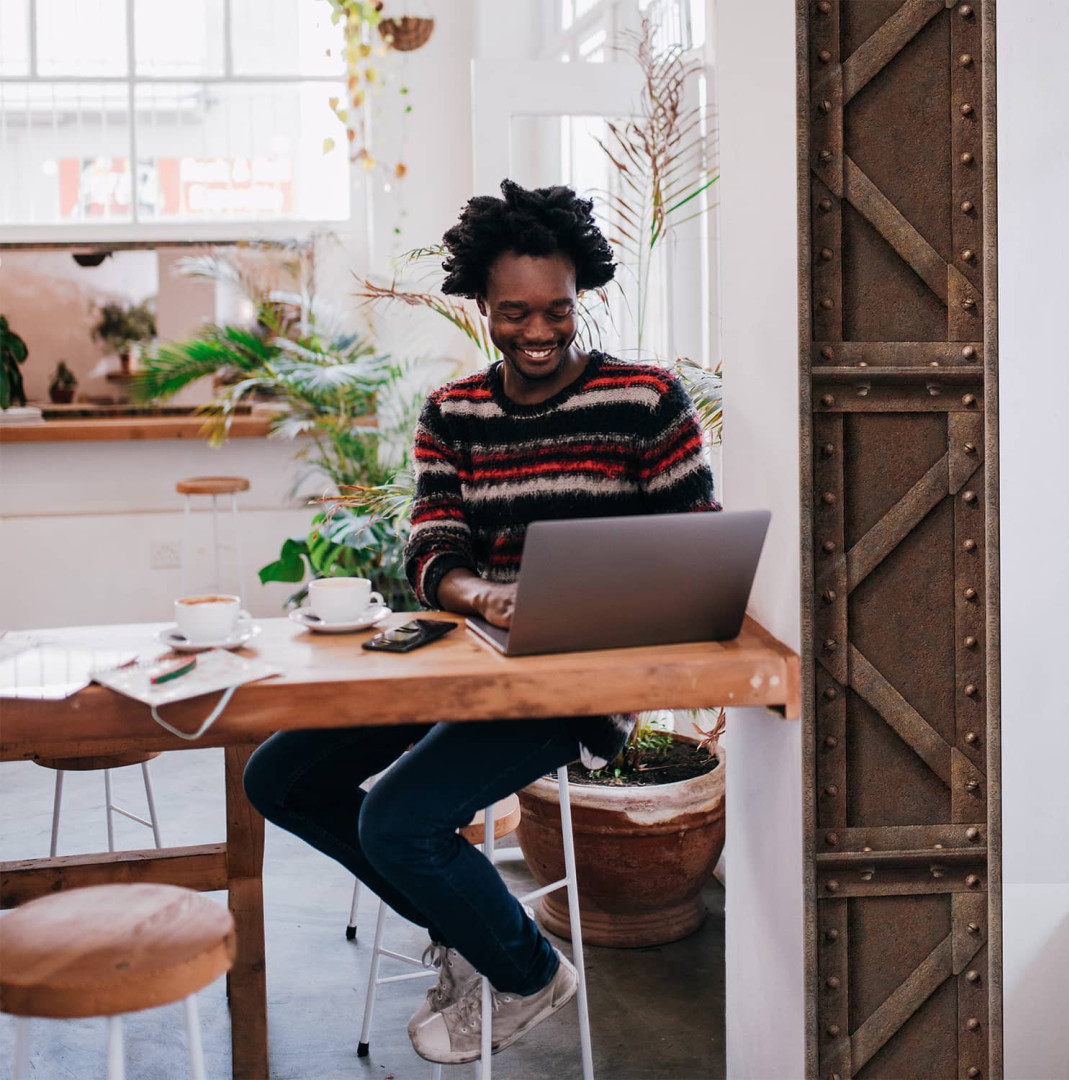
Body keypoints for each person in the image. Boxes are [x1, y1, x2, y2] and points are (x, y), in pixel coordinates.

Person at [243, 178, 720, 1066]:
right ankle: (475, 926)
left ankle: (529, 972)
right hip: (465, 660)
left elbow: (695, 549)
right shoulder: (453, 414)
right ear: (480, 305)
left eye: (557, 312)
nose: (537, 333)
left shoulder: (647, 402)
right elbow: (432, 550)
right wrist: (483, 596)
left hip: (576, 688)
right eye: (514, 313)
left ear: (581, 299)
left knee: (395, 823)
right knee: (280, 778)